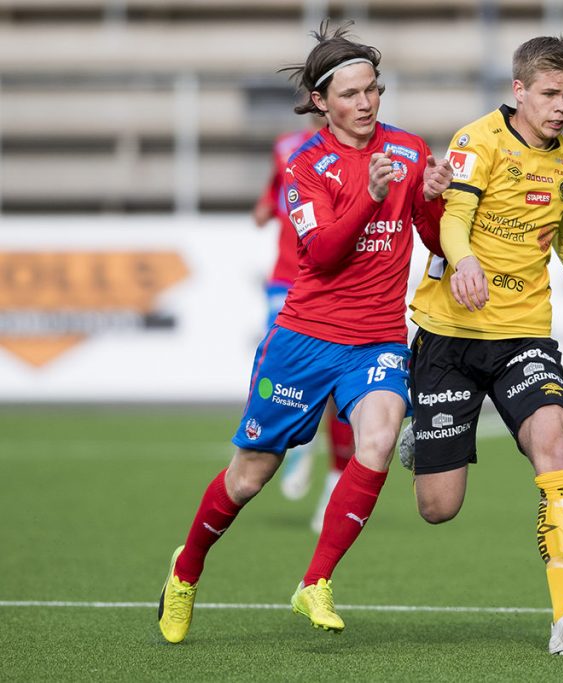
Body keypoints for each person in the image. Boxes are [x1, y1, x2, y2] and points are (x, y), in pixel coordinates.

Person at [157, 21, 453, 644]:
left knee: (377, 440)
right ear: (321, 101)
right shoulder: (307, 164)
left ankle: (314, 582)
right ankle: (185, 572)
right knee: (249, 477)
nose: (367, 103)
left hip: (377, 339)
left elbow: (429, 235)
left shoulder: (407, 150)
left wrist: (433, 198)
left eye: (373, 89)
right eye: (350, 94)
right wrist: (369, 198)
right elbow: (319, 253)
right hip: (305, 339)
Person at [402, 35, 563, 656]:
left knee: (555, 438)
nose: (562, 106)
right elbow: (455, 218)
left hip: (524, 334)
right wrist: (460, 262)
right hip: (449, 336)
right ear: (519, 90)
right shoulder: (477, 141)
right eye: (550, 93)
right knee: (439, 507)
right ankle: (422, 434)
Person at [251, 123, 357, 533]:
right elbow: (275, 187)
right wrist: (264, 206)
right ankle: (302, 439)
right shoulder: (287, 145)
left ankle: (333, 478)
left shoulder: (361, 151)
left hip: (332, 280)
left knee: (335, 382)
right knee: (282, 365)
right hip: (285, 277)